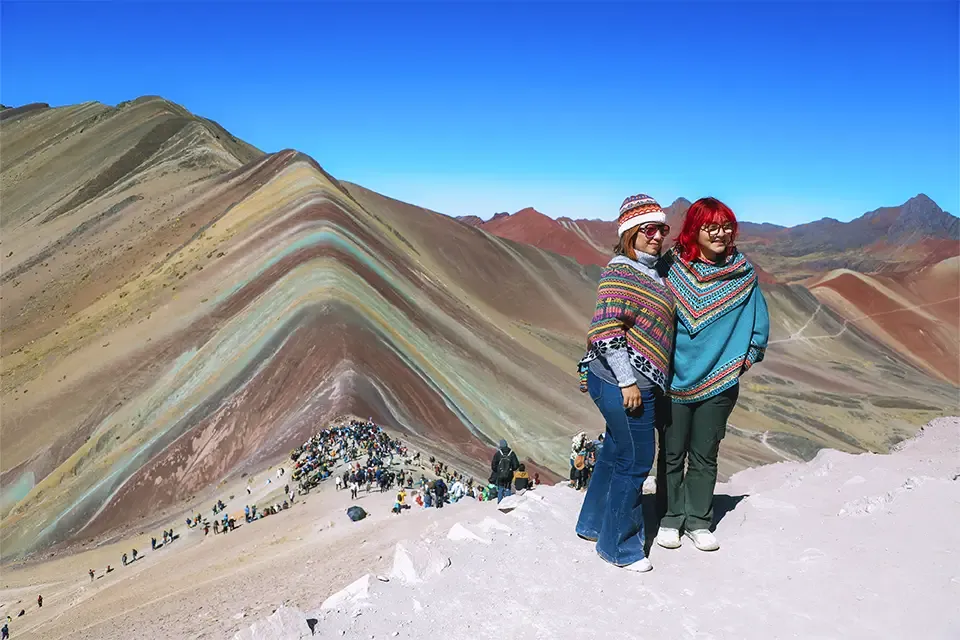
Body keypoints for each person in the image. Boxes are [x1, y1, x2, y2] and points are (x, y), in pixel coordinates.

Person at [656, 197, 769, 553]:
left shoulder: (743, 274)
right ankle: (670, 517)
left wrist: (741, 362)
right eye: (711, 227)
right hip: (671, 380)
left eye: (726, 227)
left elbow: (759, 327)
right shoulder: (670, 267)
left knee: (704, 454)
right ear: (695, 230)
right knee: (672, 453)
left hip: (719, 382)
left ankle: (698, 521)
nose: (721, 234)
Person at [575, 194, 676, 573]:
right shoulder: (622, 273)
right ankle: (619, 547)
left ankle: (591, 524)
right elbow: (606, 330)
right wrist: (628, 382)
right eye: (648, 230)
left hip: (619, 381)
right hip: (625, 385)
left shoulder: (650, 270)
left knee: (616, 451)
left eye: (662, 229)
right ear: (630, 233)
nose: (657, 236)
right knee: (636, 461)